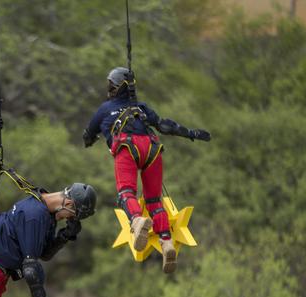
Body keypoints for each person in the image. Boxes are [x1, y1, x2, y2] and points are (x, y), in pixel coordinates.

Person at [82, 67, 210, 273]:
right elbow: (165, 126)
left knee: (126, 193)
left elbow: (88, 135)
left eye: (110, 85)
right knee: (153, 201)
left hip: (127, 147)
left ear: (116, 88)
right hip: (151, 148)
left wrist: (92, 138)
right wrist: (191, 133)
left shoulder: (105, 109)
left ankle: (136, 220)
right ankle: (167, 242)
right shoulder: (141, 107)